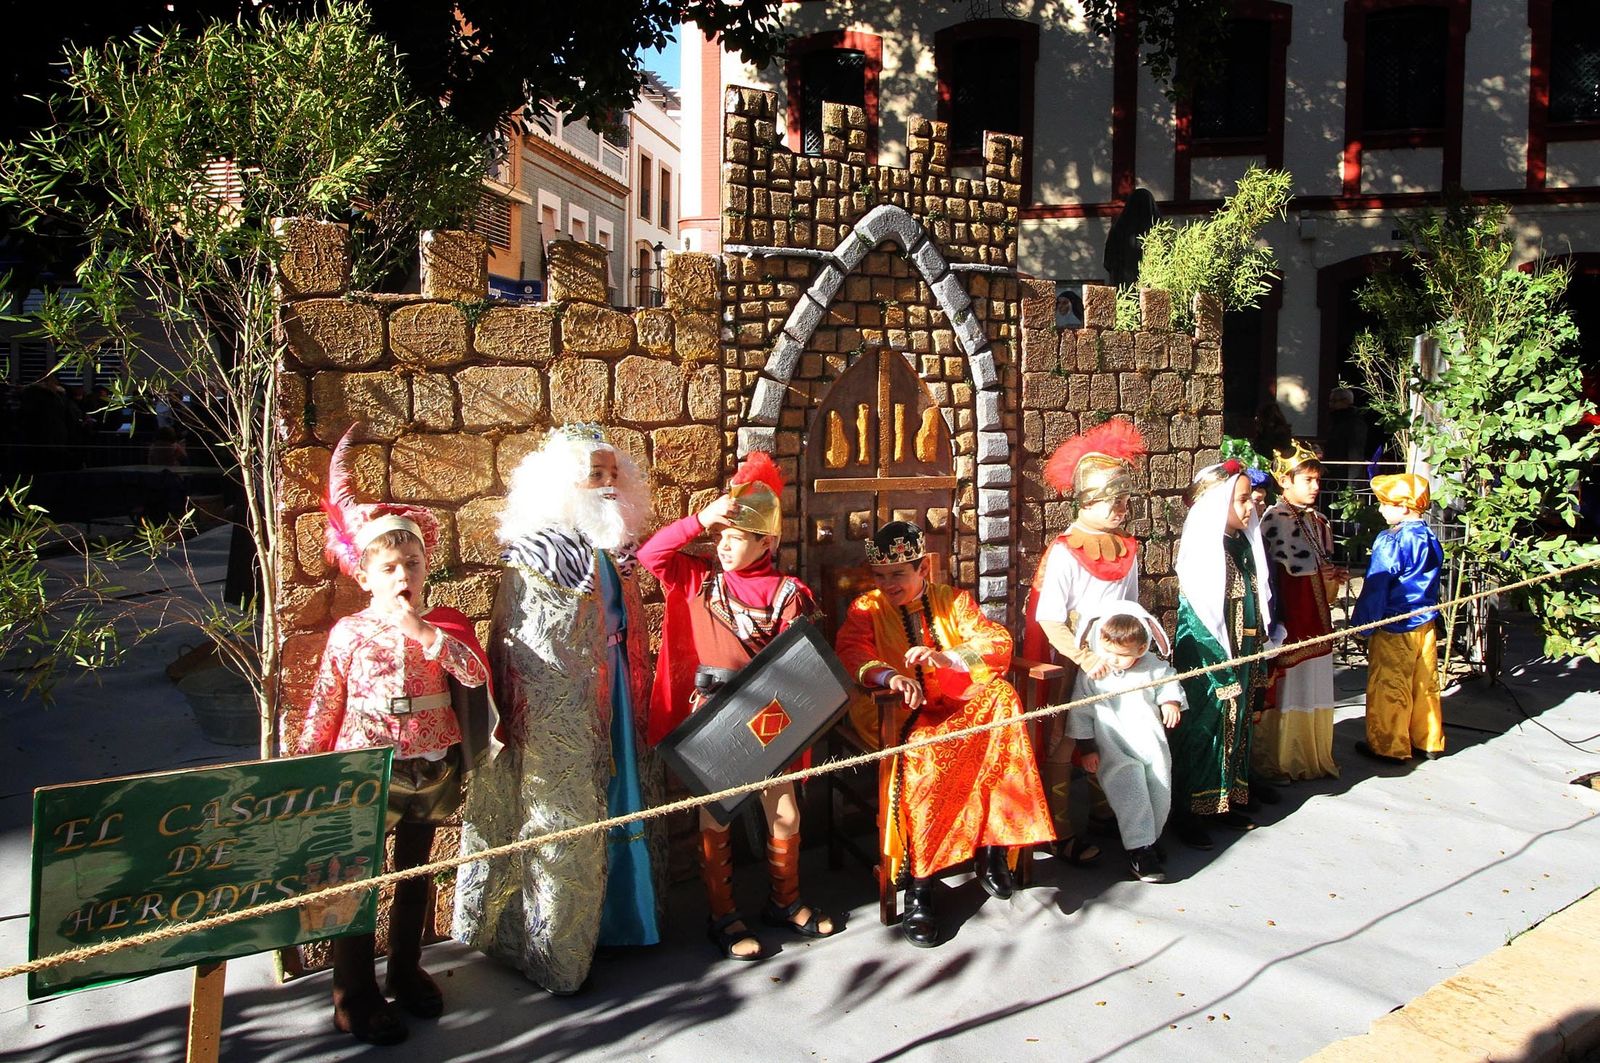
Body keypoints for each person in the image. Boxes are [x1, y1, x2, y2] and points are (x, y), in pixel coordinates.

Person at [453, 423, 668, 994]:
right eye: (592, 474)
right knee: (564, 812)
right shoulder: (536, 551)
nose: (604, 484)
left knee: (621, 799)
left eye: (611, 474)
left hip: (615, 694)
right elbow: (520, 641)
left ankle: (623, 923)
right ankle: (558, 949)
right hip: (563, 711)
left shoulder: (615, 547)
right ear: (562, 484)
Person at [297, 426, 494, 1046]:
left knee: (415, 873)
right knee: (356, 880)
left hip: (430, 766)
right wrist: (305, 765)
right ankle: (352, 988)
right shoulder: (349, 634)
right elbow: (326, 700)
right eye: (390, 565)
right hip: (365, 765)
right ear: (365, 575)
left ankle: (407, 968)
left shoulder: (443, 627)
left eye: (413, 562)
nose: (404, 572)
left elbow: (473, 672)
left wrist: (426, 634)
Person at [639, 451, 839, 961]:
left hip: (772, 714)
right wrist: (700, 520)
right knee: (717, 816)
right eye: (720, 538)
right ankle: (722, 915)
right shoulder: (699, 581)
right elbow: (651, 556)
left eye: (736, 538)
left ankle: (785, 901)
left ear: (765, 542)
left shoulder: (789, 593)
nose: (724, 547)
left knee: (786, 813)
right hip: (717, 713)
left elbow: (800, 668)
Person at [835, 520, 1053, 948]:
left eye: (898, 574)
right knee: (926, 757)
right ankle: (921, 883)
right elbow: (852, 652)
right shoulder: (866, 609)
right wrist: (888, 676)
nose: (888, 584)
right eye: (880, 576)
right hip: (899, 714)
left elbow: (995, 641)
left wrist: (946, 657)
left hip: (956, 705)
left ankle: (993, 844)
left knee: (1003, 699)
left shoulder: (954, 602)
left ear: (922, 570)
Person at [1022, 418, 1147, 865]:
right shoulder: (1064, 552)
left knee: (1113, 734)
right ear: (1087, 499)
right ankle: (1058, 831)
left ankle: (1104, 812)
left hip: (1116, 661)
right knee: (1064, 742)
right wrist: (1085, 656)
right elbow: (1049, 619)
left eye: (1124, 498)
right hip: (1074, 662)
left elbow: (1131, 610)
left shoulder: (1127, 550)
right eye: (1113, 498)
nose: (1122, 507)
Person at [1168, 459, 1275, 850]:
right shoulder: (1204, 549)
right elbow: (1197, 618)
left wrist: (1258, 651)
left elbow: (1252, 600)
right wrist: (1220, 668)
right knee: (1203, 732)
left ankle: (1223, 801)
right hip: (1207, 659)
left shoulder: (1241, 543)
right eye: (1243, 500)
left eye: (1250, 500)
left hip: (1242, 653)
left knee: (1236, 728)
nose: (1251, 508)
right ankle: (1188, 812)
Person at [1066, 602, 1185, 883]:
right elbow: (1080, 710)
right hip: (1115, 749)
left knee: (1160, 792)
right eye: (1108, 652)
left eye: (1122, 655)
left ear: (1141, 649)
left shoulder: (1154, 668)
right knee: (1132, 795)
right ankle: (1139, 851)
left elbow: (1170, 682)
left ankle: (1150, 839)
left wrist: (1170, 701)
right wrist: (1087, 748)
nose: (1113, 660)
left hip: (1152, 747)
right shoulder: (1093, 676)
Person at [1258, 441, 1345, 780]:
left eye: (1317, 480)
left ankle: (1311, 753)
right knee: (1291, 687)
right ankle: (1282, 759)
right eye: (1307, 480)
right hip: (1292, 622)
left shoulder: (1319, 521)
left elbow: (1318, 568)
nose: (1315, 487)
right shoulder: (1274, 519)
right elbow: (1277, 576)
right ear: (1285, 481)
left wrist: (1331, 578)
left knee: (1316, 683)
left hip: (1318, 619)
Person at [1352, 473, 1445, 763]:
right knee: (1425, 680)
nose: (1380, 510)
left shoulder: (1392, 540)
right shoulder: (1429, 536)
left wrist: (1362, 626)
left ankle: (1389, 744)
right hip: (1425, 620)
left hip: (1395, 623)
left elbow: (1377, 587)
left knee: (1390, 683)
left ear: (1404, 506)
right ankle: (1428, 738)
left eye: (1385, 504)